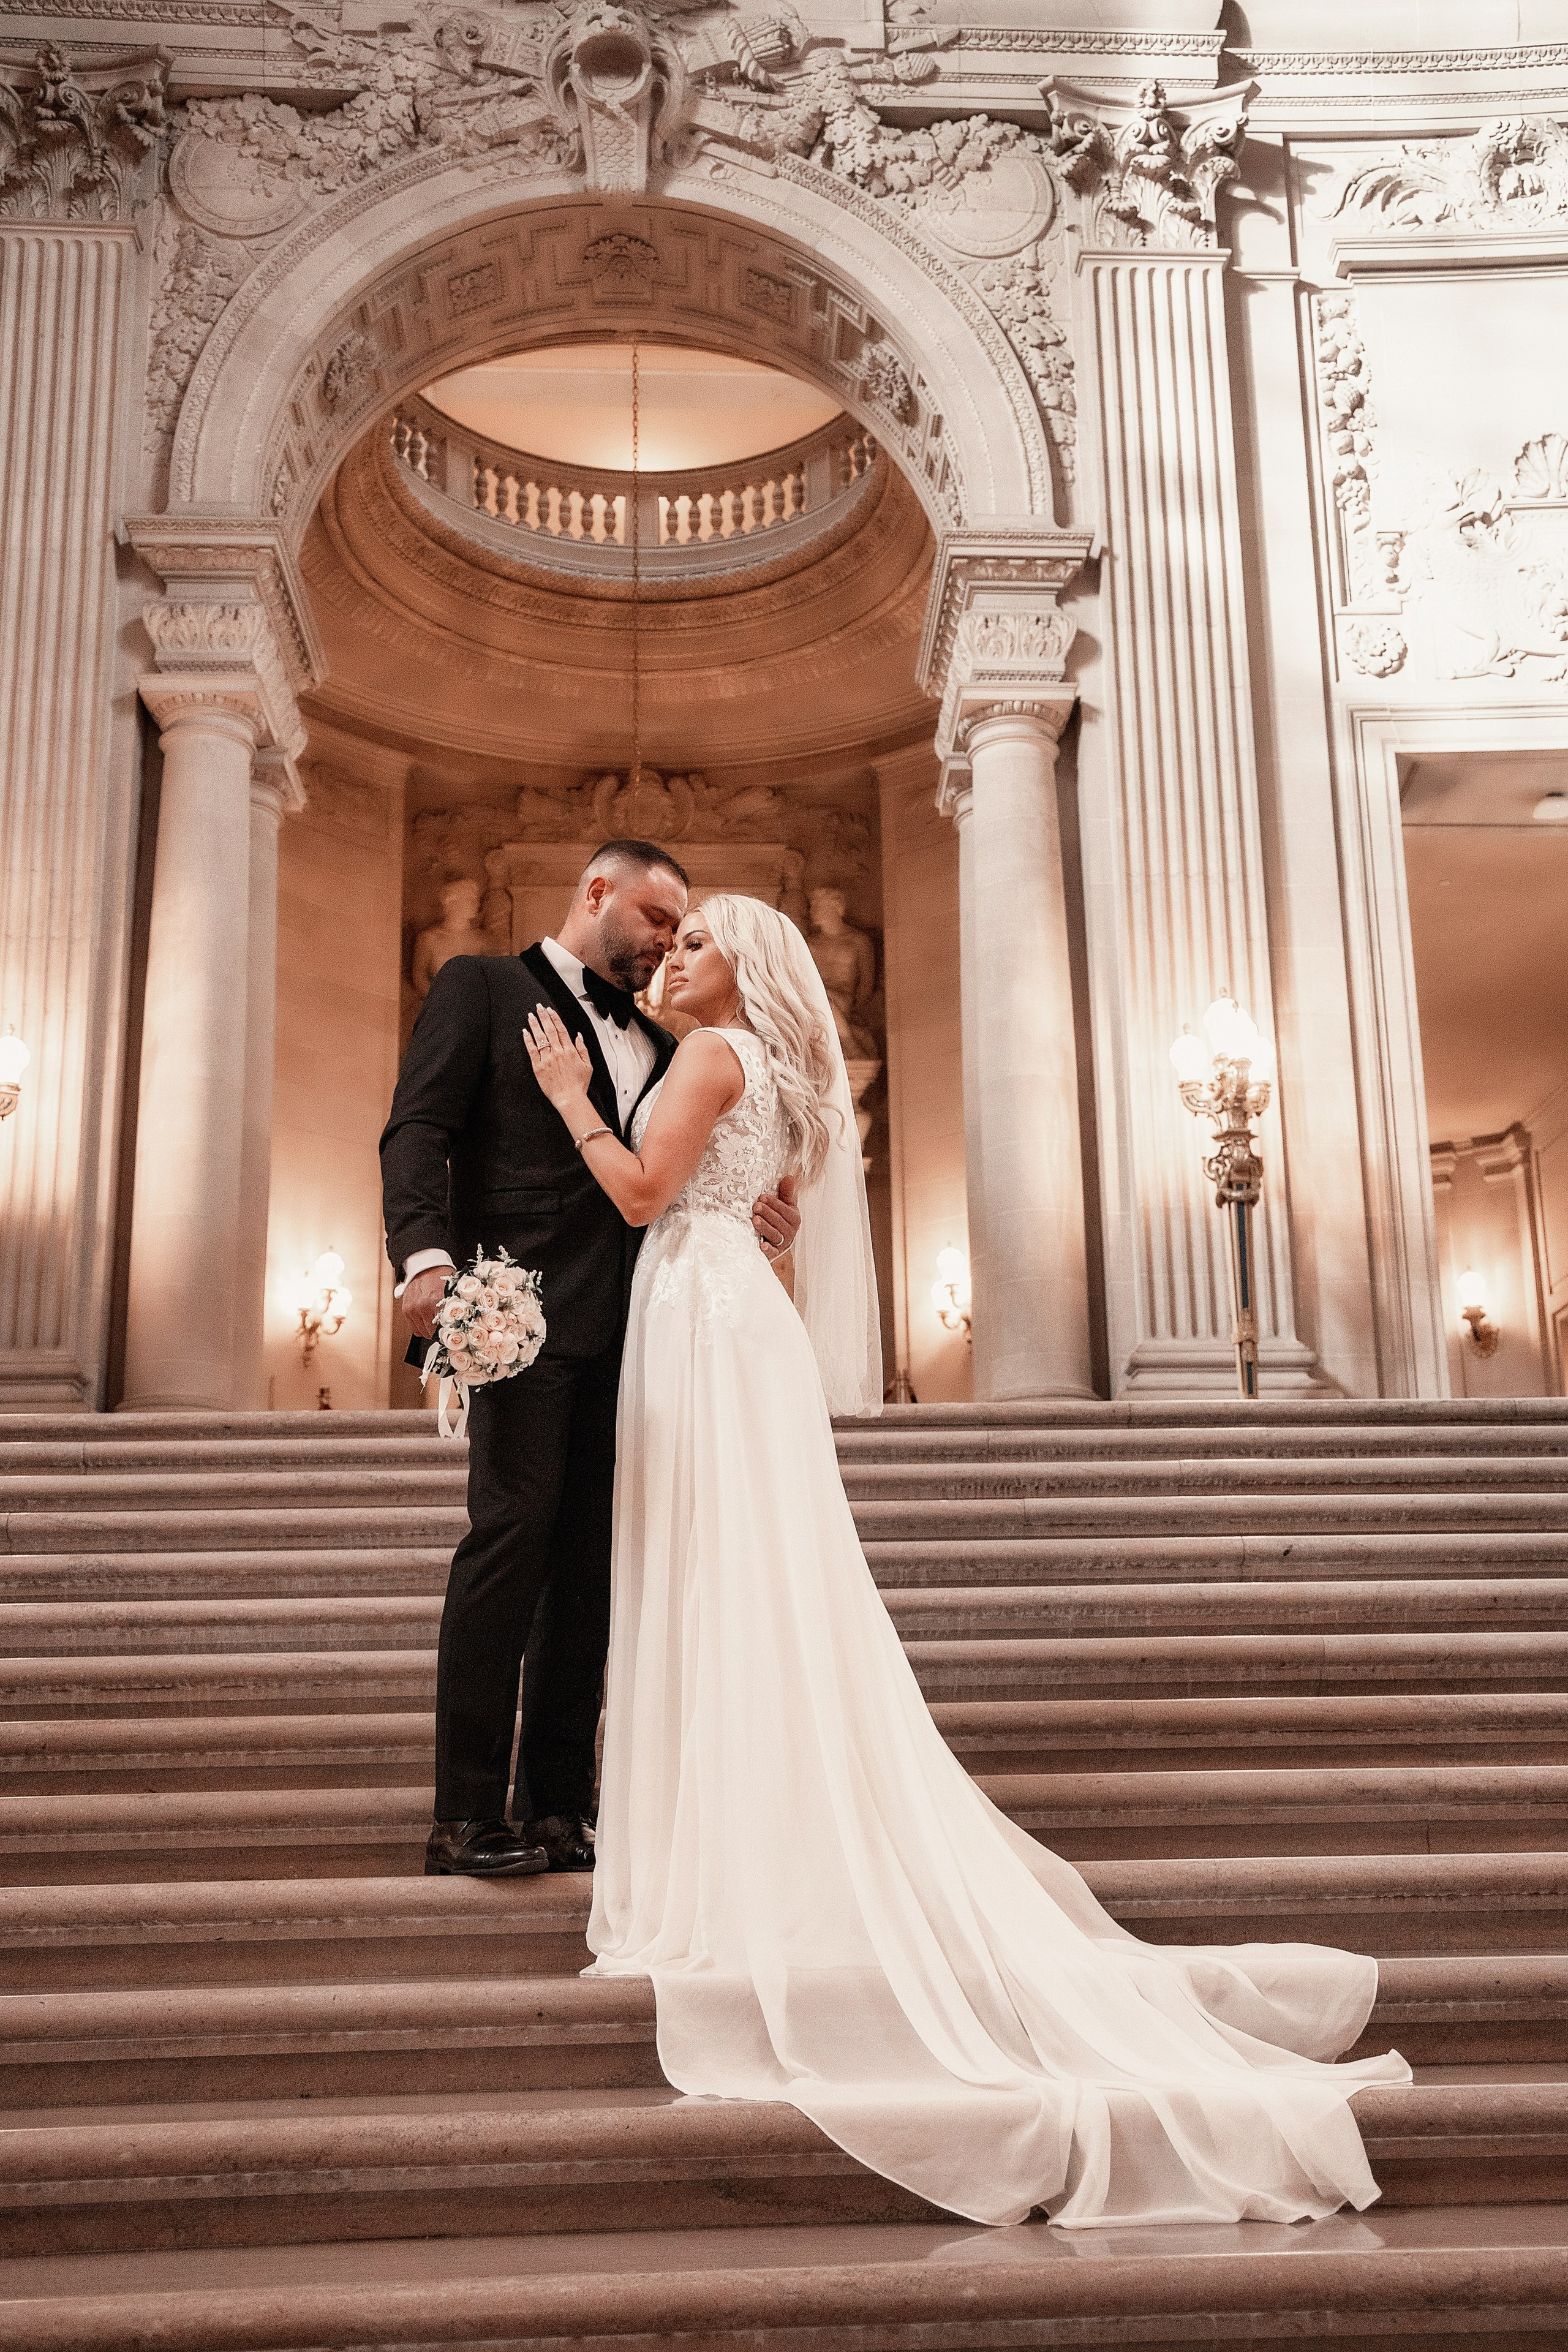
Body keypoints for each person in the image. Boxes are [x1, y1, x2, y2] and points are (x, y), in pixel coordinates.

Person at [519, 893, 1412, 2231]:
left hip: (701, 1325)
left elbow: (647, 1191)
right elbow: (765, 1217)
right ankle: (750, 1836)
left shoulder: (705, 1057)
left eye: (696, 944)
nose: (673, 958)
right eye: (673, 942)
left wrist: (566, 1096)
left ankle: (727, 1861)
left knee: (714, 1585)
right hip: (725, 1315)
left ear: (744, 969)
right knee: (742, 1587)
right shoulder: (755, 1066)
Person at [380, 842, 800, 1880]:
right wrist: (426, 1261)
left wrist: (756, 1215)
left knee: (589, 1574)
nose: (665, 942)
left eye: (682, 929)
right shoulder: (479, 987)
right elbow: (417, 1128)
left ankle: (563, 1806)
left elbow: (674, 1168)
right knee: (510, 1542)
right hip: (519, 1319)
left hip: (643, 1327)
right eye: (657, 918)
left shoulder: (665, 1042)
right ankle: (467, 1814)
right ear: (597, 893)